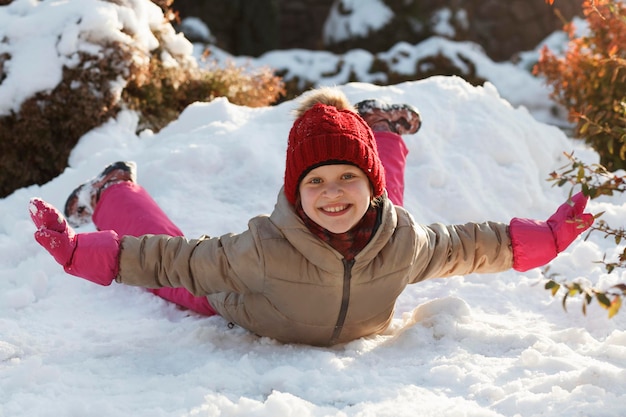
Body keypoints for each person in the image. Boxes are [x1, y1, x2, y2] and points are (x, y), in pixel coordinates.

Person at [29, 87, 593, 347]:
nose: (332, 193)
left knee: (385, 217)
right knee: (183, 285)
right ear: (296, 194)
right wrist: (83, 253)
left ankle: (379, 134)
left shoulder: (403, 241)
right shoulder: (260, 251)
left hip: (378, 232)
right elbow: (171, 257)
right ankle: (111, 191)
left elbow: (474, 244)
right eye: (315, 183)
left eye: (348, 177)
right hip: (252, 310)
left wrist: (545, 237)